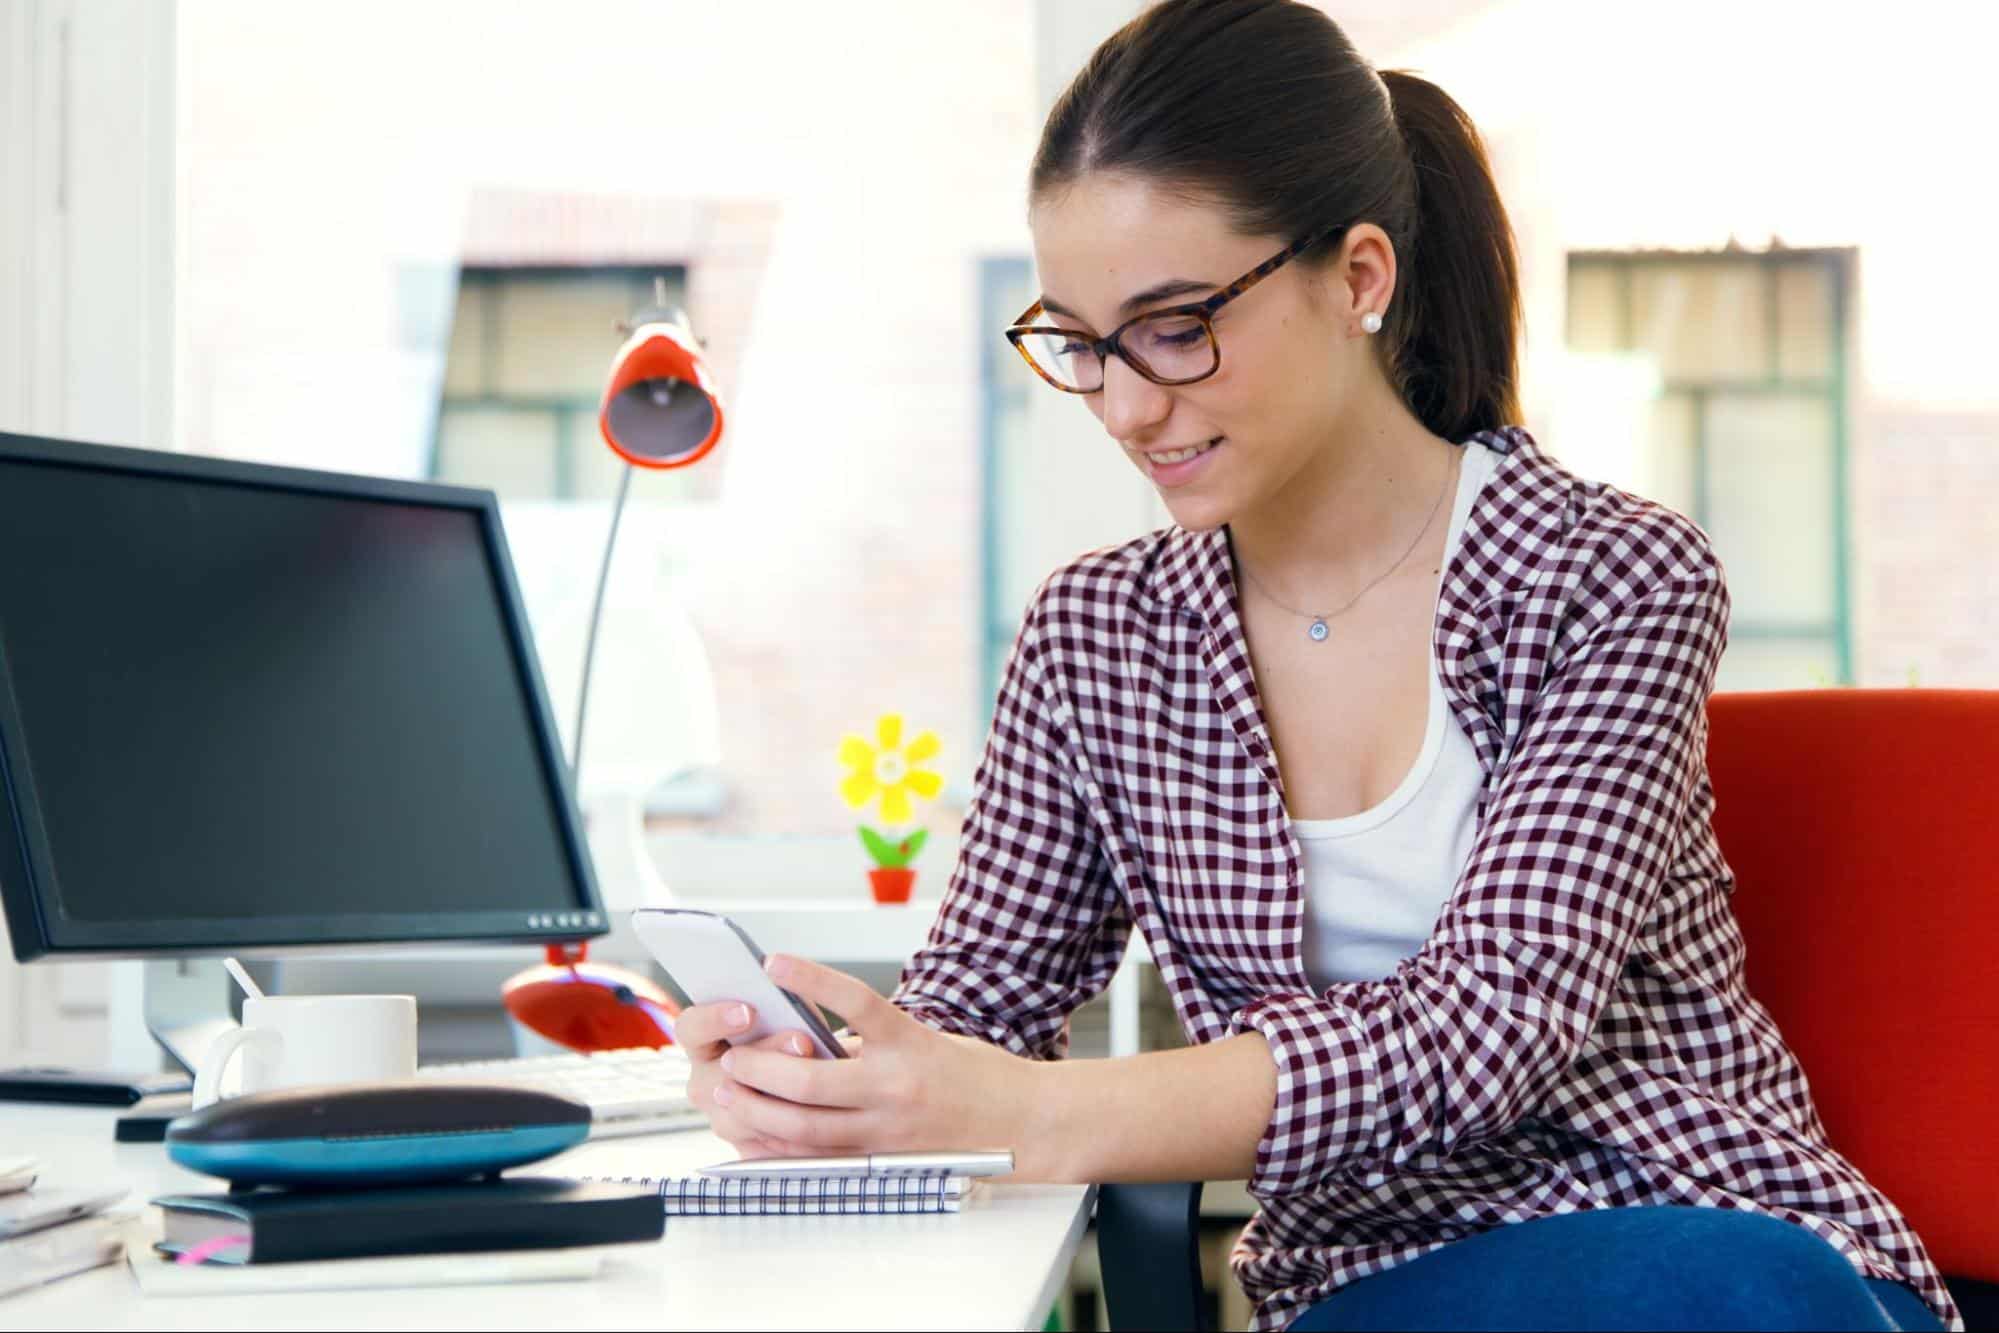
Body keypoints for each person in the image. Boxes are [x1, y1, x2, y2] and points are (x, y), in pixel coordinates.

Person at [672, 2, 1960, 1328]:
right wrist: (826, 1075)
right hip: (1374, 1285)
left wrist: (1040, 1112)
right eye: (1080, 341)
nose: (1125, 403)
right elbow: (977, 1012)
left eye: (1176, 327)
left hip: (1701, 1234)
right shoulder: (1096, 640)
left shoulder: (1611, 577)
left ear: (1357, 277)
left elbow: (1490, 1027)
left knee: (1736, 1293)